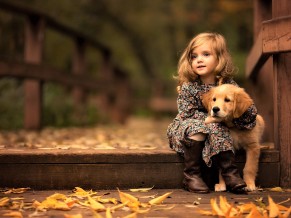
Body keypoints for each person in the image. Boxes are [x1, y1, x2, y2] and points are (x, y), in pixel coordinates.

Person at [167, 32, 257, 193]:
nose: (199, 60)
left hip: (216, 129)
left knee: (219, 128)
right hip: (187, 129)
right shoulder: (189, 87)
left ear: (219, 59)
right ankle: (191, 176)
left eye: (206, 54)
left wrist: (230, 116)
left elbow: (250, 115)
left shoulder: (229, 84)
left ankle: (229, 174)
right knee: (201, 129)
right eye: (194, 57)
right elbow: (187, 115)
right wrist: (213, 119)